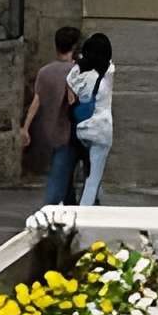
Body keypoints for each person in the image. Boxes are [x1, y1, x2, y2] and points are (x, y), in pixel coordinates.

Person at [22, 23, 82, 206]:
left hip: (51, 132)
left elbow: (36, 102)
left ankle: (73, 210)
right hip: (70, 132)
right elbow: (75, 101)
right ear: (74, 47)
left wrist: (25, 128)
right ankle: (48, 214)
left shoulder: (44, 71)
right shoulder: (75, 72)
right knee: (60, 176)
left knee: (66, 175)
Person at [67, 30, 115, 207]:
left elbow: (70, 87)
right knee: (93, 178)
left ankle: (96, 202)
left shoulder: (78, 74)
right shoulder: (108, 72)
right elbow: (108, 62)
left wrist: (79, 61)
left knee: (88, 168)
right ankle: (84, 212)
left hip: (82, 129)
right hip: (101, 131)